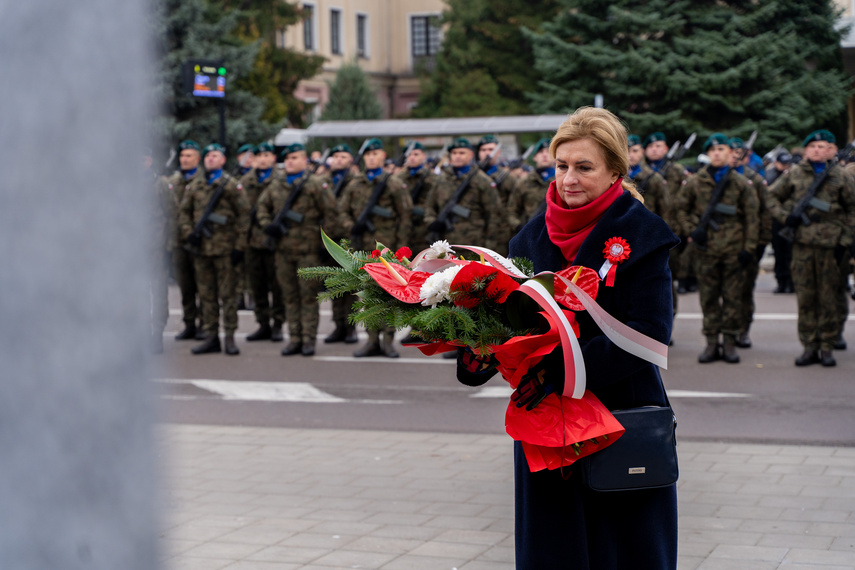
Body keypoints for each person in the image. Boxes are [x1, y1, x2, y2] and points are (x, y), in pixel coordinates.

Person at [457, 107, 678, 569]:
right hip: (547, 425)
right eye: (561, 166)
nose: (568, 179)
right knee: (554, 549)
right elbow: (511, 323)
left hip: (620, 412)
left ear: (615, 170)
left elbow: (650, 334)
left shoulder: (644, 235)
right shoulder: (528, 240)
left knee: (623, 549)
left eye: (584, 167)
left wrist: (560, 371)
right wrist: (477, 352)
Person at [767, 129, 855, 367]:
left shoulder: (841, 176)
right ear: (806, 150)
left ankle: (827, 346)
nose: (817, 150)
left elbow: (852, 210)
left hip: (832, 247)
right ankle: (809, 346)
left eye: (822, 146)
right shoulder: (794, 174)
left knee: (829, 297)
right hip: (803, 245)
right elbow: (770, 197)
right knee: (806, 297)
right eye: (813, 146)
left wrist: (845, 241)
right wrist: (787, 218)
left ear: (830, 150)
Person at [677, 133, 758, 364]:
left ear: (730, 153)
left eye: (721, 149)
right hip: (706, 250)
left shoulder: (741, 183)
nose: (717, 154)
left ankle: (730, 343)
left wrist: (749, 249)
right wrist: (693, 230)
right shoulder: (695, 182)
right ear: (708, 154)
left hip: (734, 250)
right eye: (713, 151)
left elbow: (752, 218)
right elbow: (681, 209)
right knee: (709, 298)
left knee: (733, 298)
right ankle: (712, 342)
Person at [257, 143, 339, 357]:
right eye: (288, 158)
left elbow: (330, 214)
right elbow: (261, 208)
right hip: (283, 251)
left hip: (308, 251)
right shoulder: (276, 185)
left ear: (304, 160)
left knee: (307, 297)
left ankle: (308, 339)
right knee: (289, 296)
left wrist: (325, 245)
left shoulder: (315, 184)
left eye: (295, 158)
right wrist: (269, 225)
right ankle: (294, 337)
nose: (291, 162)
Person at [339, 138, 413, 358]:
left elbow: (405, 216)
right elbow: (341, 212)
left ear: (382, 156)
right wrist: (352, 226)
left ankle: (389, 341)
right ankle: (371, 341)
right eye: (368, 155)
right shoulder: (354, 184)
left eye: (375, 154)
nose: (371, 158)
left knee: (389, 297)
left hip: (387, 250)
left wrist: (399, 250)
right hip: (362, 250)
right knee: (367, 297)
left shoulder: (393, 184)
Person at [178, 143, 251, 355]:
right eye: (208, 155)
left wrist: (239, 246)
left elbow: (244, 216)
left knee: (228, 296)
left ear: (223, 160)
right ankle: (211, 336)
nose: (210, 158)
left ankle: (229, 337)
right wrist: (188, 232)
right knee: (206, 296)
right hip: (201, 250)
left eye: (215, 155)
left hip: (226, 250)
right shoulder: (195, 185)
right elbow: (184, 212)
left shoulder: (231, 185)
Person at [240, 142, 285, 343]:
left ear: (273, 159)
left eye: (267, 155)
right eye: (259, 156)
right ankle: (263, 324)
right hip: (251, 241)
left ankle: (277, 324)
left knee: (277, 286)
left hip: (274, 241)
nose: (263, 159)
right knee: (256, 287)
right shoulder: (245, 181)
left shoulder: (281, 180)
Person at [728, 137, 771, 349]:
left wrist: (760, 242)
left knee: (744, 290)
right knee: (725, 292)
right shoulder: (719, 178)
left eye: (738, 153)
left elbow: (765, 212)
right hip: (724, 244)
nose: (734, 156)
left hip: (749, 244)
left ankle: (743, 330)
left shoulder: (754, 179)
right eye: (731, 152)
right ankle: (726, 331)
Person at [167, 140, 205, 341]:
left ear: (197, 159)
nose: (184, 159)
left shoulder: (204, 180)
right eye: (182, 156)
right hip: (178, 242)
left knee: (204, 287)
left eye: (189, 156)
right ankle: (189, 323)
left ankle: (205, 324)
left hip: (199, 242)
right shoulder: (173, 181)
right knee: (186, 286)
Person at [324, 144, 359, 344]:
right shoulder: (324, 182)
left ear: (350, 160)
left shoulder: (356, 182)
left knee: (351, 287)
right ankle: (338, 326)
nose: (338, 159)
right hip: (329, 240)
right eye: (335, 156)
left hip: (349, 240)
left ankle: (350, 327)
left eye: (343, 156)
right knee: (335, 286)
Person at [507, 138, 554, 237]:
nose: (545, 155)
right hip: (530, 234)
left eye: (548, 151)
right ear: (534, 157)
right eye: (540, 152)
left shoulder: (562, 181)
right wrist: (519, 227)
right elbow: (511, 211)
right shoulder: (523, 183)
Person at [766, 151, 794, 293]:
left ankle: (791, 282)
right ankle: (781, 281)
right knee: (779, 252)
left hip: (791, 218)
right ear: (776, 163)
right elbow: (770, 194)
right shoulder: (771, 176)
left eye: (787, 164)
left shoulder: (793, 175)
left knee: (791, 253)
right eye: (782, 164)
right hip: (776, 219)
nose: (785, 166)